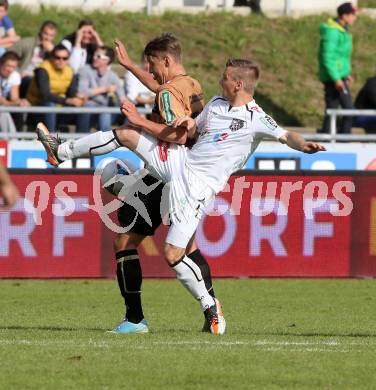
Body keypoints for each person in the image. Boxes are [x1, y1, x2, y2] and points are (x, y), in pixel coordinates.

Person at [35, 58, 326, 334]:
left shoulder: (256, 118)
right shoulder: (216, 104)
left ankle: (211, 306)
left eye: (225, 77)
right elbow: (193, 132)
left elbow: (288, 135)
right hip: (179, 164)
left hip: (197, 187)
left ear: (238, 84)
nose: (220, 80)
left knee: (174, 253)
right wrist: (188, 124)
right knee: (127, 135)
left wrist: (305, 146)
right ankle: (60, 152)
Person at [35, 33, 218, 334]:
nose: (152, 69)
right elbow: (164, 91)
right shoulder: (191, 84)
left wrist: (140, 120)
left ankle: (62, 151)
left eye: (152, 63)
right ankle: (212, 310)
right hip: (186, 175)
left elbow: (179, 134)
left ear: (166, 60)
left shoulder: (168, 93)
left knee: (126, 133)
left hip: (168, 169)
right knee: (171, 245)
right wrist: (131, 66)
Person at [318, 2, 358, 134]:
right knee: (349, 110)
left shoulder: (342, 30)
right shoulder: (333, 32)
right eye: (353, 15)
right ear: (344, 15)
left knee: (332, 109)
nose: (355, 17)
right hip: (334, 79)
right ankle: (344, 140)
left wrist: (345, 74)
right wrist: (337, 79)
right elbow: (327, 58)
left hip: (339, 77)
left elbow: (340, 57)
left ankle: (327, 135)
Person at [26, 44, 85, 130]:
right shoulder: (43, 69)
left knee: (84, 106)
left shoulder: (70, 71)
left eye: (64, 58)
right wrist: (67, 100)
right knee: (49, 105)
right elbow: (45, 95)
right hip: (37, 105)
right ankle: (51, 139)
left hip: (60, 104)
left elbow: (71, 93)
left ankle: (82, 139)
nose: (61, 61)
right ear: (52, 57)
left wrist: (78, 99)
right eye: (58, 58)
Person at [77, 46, 126, 132]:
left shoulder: (112, 76)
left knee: (106, 111)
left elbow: (123, 98)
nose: (94, 57)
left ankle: (105, 141)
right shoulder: (85, 70)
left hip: (105, 110)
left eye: (98, 56)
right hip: (88, 108)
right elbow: (82, 93)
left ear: (107, 60)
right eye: (94, 55)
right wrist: (105, 89)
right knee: (89, 107)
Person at [10, 20, 58, 97]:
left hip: (43, 79)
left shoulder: (56, 50)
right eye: (45, 34)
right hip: (25, 77)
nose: (47, 38)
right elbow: (7, 57)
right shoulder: (27, 43)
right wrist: (18, 72)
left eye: (51, 35)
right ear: (40, 32)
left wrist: (53, 52)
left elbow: (62, 66)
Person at [0, 51, 28, 132]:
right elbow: (1, 101)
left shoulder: (14, 75)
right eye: (8, 66)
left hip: (3, 105)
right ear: (1, 64)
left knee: (22, 108)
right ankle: (12, 139)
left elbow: (14, 98)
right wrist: (15, 103)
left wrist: (21, 102)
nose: (10, 70)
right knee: (3, 112)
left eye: (13, 67)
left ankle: (19, 137)